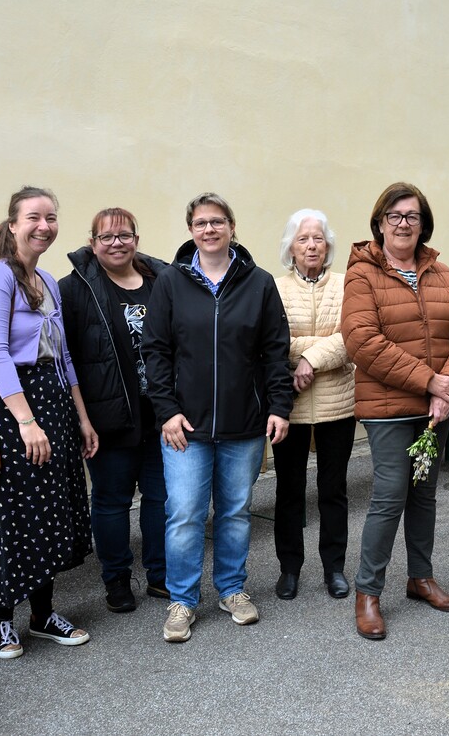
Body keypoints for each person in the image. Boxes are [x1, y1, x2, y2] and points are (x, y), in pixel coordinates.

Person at [143, 192, 292, 642]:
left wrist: (279, 406)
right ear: (191, 230)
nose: (209, 229)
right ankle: (182, 600)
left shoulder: (258, 283)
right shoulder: (170, 282)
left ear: (231, 227)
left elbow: (275, 351)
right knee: (184, 514)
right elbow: (155, 351)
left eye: (217, 221)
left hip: (243, 424)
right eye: (201, 223)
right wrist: (167, 411)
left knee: (235, 512)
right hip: (184, 427)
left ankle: (231, 590)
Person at [342, 182, 449, 640]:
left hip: (436, 407)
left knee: (424, 494)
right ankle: (368, 592)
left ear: (424, 224)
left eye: (412, 216)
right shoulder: (362, 274)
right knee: (389, 495)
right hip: (389, 408)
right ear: (380, 223)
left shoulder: (440, 272)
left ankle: (421, 578)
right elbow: (362, 341)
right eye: (395, 216)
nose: (403, 224)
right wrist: (429, 381)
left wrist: (448, 386)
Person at [0, 186, 98, 659]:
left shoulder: (46, 278)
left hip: (54, 401)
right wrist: (25, 420)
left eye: (51, 217)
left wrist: (82, 418)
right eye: (33, 217)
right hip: (15, 406)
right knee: (13, 513)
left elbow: (64, 357)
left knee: (50, 511)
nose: (44, 226)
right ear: (13, 225)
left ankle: (42, 614)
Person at [60, 207, 168, 613]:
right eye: (106, 237)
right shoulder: (75, 290)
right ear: (92, 244)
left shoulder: (162, 280)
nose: (116, 243)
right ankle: (117, 580)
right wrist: (81, 418)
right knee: (111, 501)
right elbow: (66, 360)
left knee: (161, 497)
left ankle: (160, 575)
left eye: (124, 235)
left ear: (136, 240)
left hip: (161, 415)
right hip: (109, 417)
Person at [271, 209, 356, 601]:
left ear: (328, 245)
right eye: (303, 239)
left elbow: (353, 337)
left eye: (318, 239)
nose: (311, 246)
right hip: (290, 404)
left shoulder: (346, 285)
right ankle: (289, 569)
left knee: (333, 490)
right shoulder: (274, 289)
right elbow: (273, 341)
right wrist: (316, 351)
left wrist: (309, 359)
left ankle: (334, 568)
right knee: (289, 491)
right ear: (291, 247)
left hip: (338, 404)